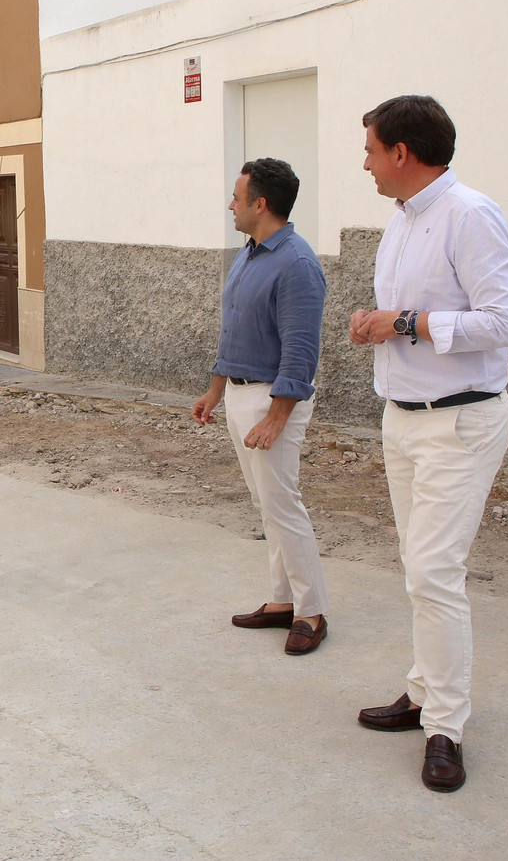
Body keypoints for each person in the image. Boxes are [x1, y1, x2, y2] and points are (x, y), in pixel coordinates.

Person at [349, 95, 508, 793]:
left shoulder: (470, 214)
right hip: (404, 418)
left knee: (433, 572)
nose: (363, 163)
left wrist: (406, 323)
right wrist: (377, 323)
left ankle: (445, 726)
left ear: (402, 153)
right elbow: (403, 318)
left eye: (369, 150)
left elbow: (506, 321)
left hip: (461, 422)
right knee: (417, 566)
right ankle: (423, 692)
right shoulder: (400, 221)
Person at [191, 158, 330, 656]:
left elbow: (300, 349)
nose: (230, 204)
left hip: (273, 400)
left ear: (260, 204)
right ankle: (282, 601)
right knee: (266, 506)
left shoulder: (296, 263)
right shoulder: (249, 254)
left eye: (236, 196)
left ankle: (311, 611)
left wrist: (277, 415)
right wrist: (214, 390)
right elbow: (233, 332)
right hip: (240, 395)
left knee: (283, 506)